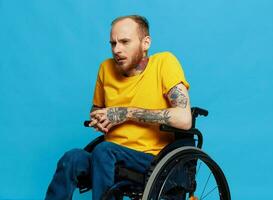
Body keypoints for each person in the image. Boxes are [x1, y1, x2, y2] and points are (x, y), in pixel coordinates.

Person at [45, 15, 192, 200]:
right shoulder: (106, 68)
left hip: (151, 160)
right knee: (72, 158)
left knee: (104, 150)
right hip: (106, 158)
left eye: (124, 42)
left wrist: (125, 113)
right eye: (113, 43)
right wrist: (98, 119)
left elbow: (185, 119)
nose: (117, 49)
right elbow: (96, 109)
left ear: (145, 43)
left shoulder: (164, 63)